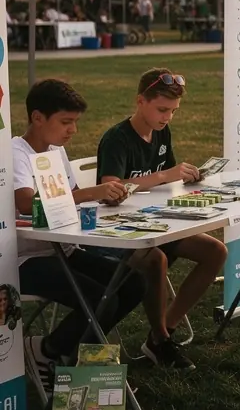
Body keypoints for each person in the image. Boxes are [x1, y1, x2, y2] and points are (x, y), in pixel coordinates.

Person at [14, 81, 144, 387]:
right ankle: (47, 350)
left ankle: (71, 356)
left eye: (75, 122)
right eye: (66, 122)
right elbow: (25, 202)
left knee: (133, 283)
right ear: (37, 118)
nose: (73, 130)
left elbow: (72, 195)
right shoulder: (15, 152)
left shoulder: (56, 151)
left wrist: (104, 197)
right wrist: (90, 192)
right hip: (25, 258)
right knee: (101, 300)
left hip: (63, 248)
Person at [96, 68, 227, 371]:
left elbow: (168, 180)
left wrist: (188, 178)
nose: (167, 117)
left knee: (215, 251)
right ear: (140, 101)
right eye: (162, 109)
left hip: (157, 221)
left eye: (173, 111)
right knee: (156, 260)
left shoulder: (161, 132)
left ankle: (166, 327)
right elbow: (110, 187)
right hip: (119, 230)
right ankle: (160, 339)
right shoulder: (117, 138)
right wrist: (165, 175)